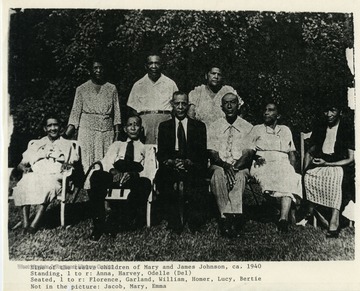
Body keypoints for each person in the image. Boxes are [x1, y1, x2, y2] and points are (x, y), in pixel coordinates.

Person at [88, 115, 151, 241]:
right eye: (130, 125)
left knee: (144, 183)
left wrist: (133, 174)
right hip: (115, 176)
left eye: (136, 125)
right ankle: (98, 224)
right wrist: (114, 172)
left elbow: (149, 168)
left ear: (141, 129)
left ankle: (117, 221)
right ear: (125, 129)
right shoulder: (117, 145)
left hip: (133, 178)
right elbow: (106, 161)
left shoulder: (145, 148)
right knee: (96, 176)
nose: (133, 128)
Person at [12, 115, 79, 234]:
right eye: (50, 126)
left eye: (56, 125)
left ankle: (34, 225)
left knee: (47, 187)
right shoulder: (37, 144)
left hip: (54, 175)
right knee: (23, 184)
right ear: (45, 129)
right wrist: (24, 169)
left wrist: (67, 165)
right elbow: (21, 164)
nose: (53, 128)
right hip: (36, 173)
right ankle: (25, 223)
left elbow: (73, 164)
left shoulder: (67, 144)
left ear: (61, 128)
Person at [156, 91, 208, 233]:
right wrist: (172, 162)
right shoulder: (164, 126)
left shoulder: (198, 127)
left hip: (190, 162)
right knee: (162, 178)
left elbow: (202, 153)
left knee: (198, 180)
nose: (180, 107)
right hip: (171, 164)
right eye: (177, 103)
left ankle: (194, 220)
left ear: (188, 105)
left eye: (183, 104)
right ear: (172, 105)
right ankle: (174, 221)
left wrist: (188, 162)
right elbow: (161, 153)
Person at [303, 100, 354, 238]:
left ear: (340, 112)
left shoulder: (347, 128)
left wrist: (328, 164)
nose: (329, 114)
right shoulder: (321, 126)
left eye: (333, 110)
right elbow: (311, 150)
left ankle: (333, 221)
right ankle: (317, 214)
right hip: (323, 162)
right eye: (326, 111)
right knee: (309, 176)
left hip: (340, 164)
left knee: (335, 178)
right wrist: (310, 163)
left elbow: (350, 158)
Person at [248, 102, 302, 233]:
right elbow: (248, 150)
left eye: (270, 110)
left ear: (278, 115)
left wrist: (292, 168)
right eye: (265, 110)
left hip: (283, 162)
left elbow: (292, 153)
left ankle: (283, 219)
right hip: (263, 161)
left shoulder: (285, 130)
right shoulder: (257, 129)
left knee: (290, 177)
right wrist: (255, 158)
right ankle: (277, 211)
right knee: (271, 176)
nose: (266, 112)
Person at [207, 92, 253, 238]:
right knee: (218, 174)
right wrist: (225, 166)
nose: (229, 105)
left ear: (238, 105)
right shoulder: (214, 126)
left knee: (239, 176)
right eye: (226, 103)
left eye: (232, 102)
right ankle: (224, 217)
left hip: (240, 165)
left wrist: (234, 167)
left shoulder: (248, 127)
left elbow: (248, 153)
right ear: (221, 107)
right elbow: (212, 153)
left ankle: (235, 216)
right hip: (220, 165)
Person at [65, 59, 121, 176]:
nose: (98, 71)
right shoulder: (81, 89)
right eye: (95, 68)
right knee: (87, 160)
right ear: (90, 70)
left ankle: (103, 186)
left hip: (106, 131)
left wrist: (117, 134)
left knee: (106, 161)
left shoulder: (112, 88)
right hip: (87, 130)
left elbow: (117, 113)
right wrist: (65, 136)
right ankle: (88, 185)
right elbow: (75, 113)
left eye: (101, 68)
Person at [127, 54, 178, 144]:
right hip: (145, 123)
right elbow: (133, 109)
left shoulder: (170, 83)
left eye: (157, 63)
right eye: (151, 63)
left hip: (165, 121)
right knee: (145, 152)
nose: (154, 66)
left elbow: (177, 105)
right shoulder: (138, 85)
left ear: (161, 65)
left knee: (165, 151)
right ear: (146, 66)